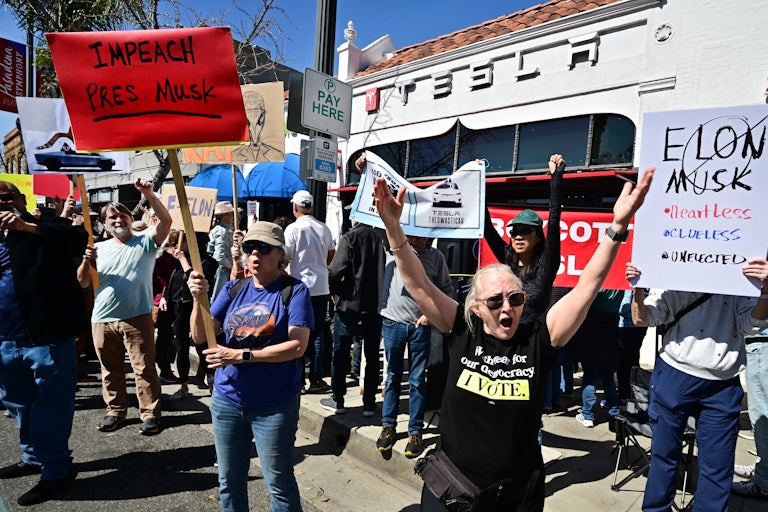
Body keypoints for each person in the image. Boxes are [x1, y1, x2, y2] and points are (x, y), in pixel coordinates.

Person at [372, 167, 654, 511]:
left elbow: (587, 286)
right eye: (495, 301)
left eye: (516, 299)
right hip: (451, 488)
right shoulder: (461, 328)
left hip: (516, 495)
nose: (507, 308)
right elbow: (419, 285)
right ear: (475, 307)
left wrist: (617, 227)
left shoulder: (539, 338)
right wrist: (393, 227)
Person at [187, 221, 313, 512]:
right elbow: (200, 335)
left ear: (280, 254)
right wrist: (198, 300)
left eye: (264, 248)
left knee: (278, 481)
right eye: (249, 248)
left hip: (274, 405)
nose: (255, 254)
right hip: (227, 401)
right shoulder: (233, 288)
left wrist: (241, 355)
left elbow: (297, 346)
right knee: (229, 479)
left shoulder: (294, 291)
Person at [627, 261, 768, 512]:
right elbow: (642, 318)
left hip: (723, 383)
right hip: (675, 374)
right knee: (663, 457)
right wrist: (637, 289)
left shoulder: (743, 273)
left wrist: (766, 289)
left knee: (718, 466)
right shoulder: (675, 269)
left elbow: (751, 324)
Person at [0, 180, 87, 506]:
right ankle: (33, 456)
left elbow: (78, 237)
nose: (1, 205)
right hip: (4, 340)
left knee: (50, 405)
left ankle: (56, 470)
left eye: (5, 198)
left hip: (45, 339)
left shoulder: (44, 227)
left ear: (20, 200)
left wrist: (25, 226)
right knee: (17, 402)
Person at [80, 178, 171, 436]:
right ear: (103, 223)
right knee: (110, 370)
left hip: (137, 317)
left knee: (144, 368)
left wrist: (149, 194)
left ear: (131, 219)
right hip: (102, 319)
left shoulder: (145, 243)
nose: (118, 220)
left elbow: (166, 222)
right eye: (112, 218)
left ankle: (150, 413)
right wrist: (88, 262)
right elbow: (83, 282)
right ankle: (115, 411)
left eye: (122, 215)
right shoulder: (96, 248)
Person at [376, 235, 454, 459]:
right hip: (392, 322)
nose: (421, 238)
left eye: (425, 233)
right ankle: (388, 426)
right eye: (416, 233)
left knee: (417, 380)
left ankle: (415, 431)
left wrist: (431, 315)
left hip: (421, 326)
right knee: (392, 377)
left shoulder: (436, 257)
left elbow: (446, 290)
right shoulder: (393, 250)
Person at [320, 219, 386, 417]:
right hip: (376, 305)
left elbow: (335, 270)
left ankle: (338, 398)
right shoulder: (382, 238)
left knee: (340, 353)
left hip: (349, 305)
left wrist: (335, 292)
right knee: (373, 354)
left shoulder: (350, 237)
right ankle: (369, 403)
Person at [284, 190, 336, 394]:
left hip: (299, 285)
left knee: (296, 332)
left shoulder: (293, 228)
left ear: (295, 207)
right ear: (311, 207)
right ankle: (315, 379)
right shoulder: (324, 228)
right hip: (321, 286)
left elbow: (286, 256)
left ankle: (298, 379)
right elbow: (331, 254)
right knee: (317, 334)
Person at [160, 231, 217, 401]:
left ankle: (211, 377)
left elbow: (194, 280)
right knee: (181, 346)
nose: (178, 244)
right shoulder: (178, 261)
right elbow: (174, 280)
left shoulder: (208, 262)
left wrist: (183, 261)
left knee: (201, 343)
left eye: (182, 241)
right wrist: (165, 296)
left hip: (196, 307)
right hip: (177, 306)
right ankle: (183, 384)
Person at [568, 289, 623, 428]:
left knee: (590, 376)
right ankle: (614, 411)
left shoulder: (599, 287)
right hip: (611, 332)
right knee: (608, 376)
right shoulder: (619, 286)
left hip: (592, 331)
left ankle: (588, 415)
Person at [732, 325, 768, 499]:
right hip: (760, 342)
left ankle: (763, 482)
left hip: (762, 342)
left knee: (762, 416)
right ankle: (763, 469)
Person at [231, 87, 285, 163]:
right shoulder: (234, 156)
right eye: (248, 121)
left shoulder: (276, 155)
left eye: (258, 117)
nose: (254, 127)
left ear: (262, 117)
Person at [154, 231, 179, 384]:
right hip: (161, 303)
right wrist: (162, 296)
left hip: (164, 301)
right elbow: (164, 282)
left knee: (167, 337)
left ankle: (165, 369)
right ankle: (165, 370)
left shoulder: (167, 258)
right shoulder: (165, 259)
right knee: (165, 338)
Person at [616, 288, 648, 401]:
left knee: (623, 362)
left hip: (626, 326)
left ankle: (623, 394)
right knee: (634, 359)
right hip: (641, 326)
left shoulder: (631, 287)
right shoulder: (646, 286)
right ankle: (635, 392)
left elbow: (624, 308)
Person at [208, 201, 236, 302]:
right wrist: (231, 266)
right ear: (224, 216)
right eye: (232, 214)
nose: (234, 216)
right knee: (219, 297)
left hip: (222, 268)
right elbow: (219, 256)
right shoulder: (222, 231)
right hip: (223, 269)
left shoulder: (222, 230)